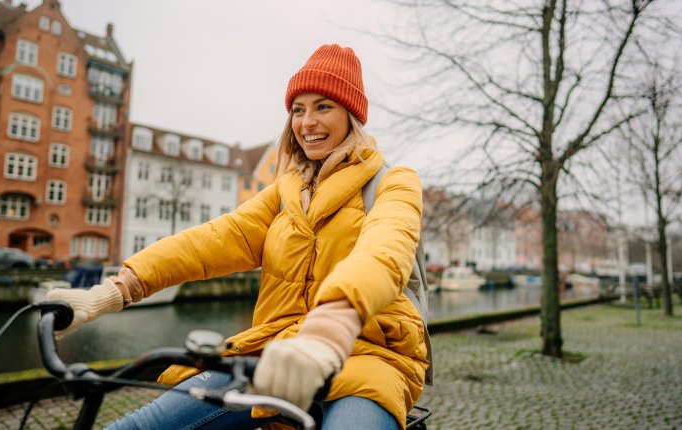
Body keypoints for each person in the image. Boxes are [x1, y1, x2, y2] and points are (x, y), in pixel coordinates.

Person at [47, 44, 427, 430]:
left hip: (372, 356)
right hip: (276, 354)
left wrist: (329, 329)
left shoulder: (394, 183)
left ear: (351, 115)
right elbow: (211, 241)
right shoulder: (285, 192)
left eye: (323, 106)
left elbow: (384, 253)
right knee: (142, 426)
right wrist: (112, 291)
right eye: (298, 109)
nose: (307, 121)